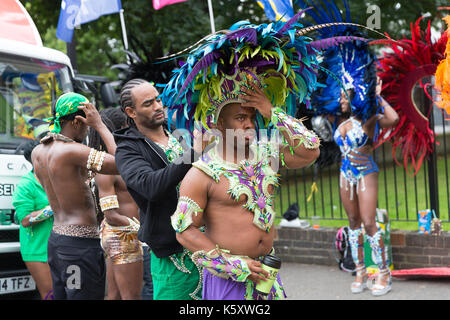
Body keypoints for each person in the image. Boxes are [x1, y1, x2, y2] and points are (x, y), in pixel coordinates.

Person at [161, 17, 329, 300]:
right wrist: (234, 266)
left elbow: (311, 150)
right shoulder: (202, 173)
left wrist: (270, 110)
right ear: (218, 124)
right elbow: (183, 230)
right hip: (229, 282)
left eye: (251, 117)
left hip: (267, 276)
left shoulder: (266, 155)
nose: (249, 124)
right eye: (240, 117)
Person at [114, 79, 204, 300]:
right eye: (148, 103)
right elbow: (149, 186)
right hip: (173, 253)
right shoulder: (127, 148)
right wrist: (193, 154)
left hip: (206, 245)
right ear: (131, 111)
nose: (157, 106)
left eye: (158, 99)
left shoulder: (179, 134)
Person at [32, 92, 118, 300]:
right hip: (79, 249)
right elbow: (122, 162)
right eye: (87, 124)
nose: (89, 129)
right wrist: (100, 125)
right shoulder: (74, 151)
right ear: (78, 121)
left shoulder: (38, 152)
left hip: (57, 243)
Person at [334, 78, 399, 296]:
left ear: (354, 97)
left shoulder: (370, 119)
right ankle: (360, 271)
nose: (340, 100)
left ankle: (383, 273)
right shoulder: (342, 123)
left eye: (344, 97)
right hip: (345, 175)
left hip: (365, 173)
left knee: (369, 222)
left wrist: (376, 95)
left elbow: (394, 118)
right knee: (353, 222)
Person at [88, 107, 144, 300]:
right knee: (132, 297)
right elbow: (111, 215)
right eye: (127, 127)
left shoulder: (115, 162)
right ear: (119, 129)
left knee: (114, 296)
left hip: (116, 236)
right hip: (123, 236)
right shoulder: (108, 168)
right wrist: (142, 229)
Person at [12, 139, 54, 300]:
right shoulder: (26, 185)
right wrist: (54, 207)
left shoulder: (55, 179)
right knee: (51, 295)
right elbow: (25, 220)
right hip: (37, 250)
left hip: (59, 247)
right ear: (35, 158)